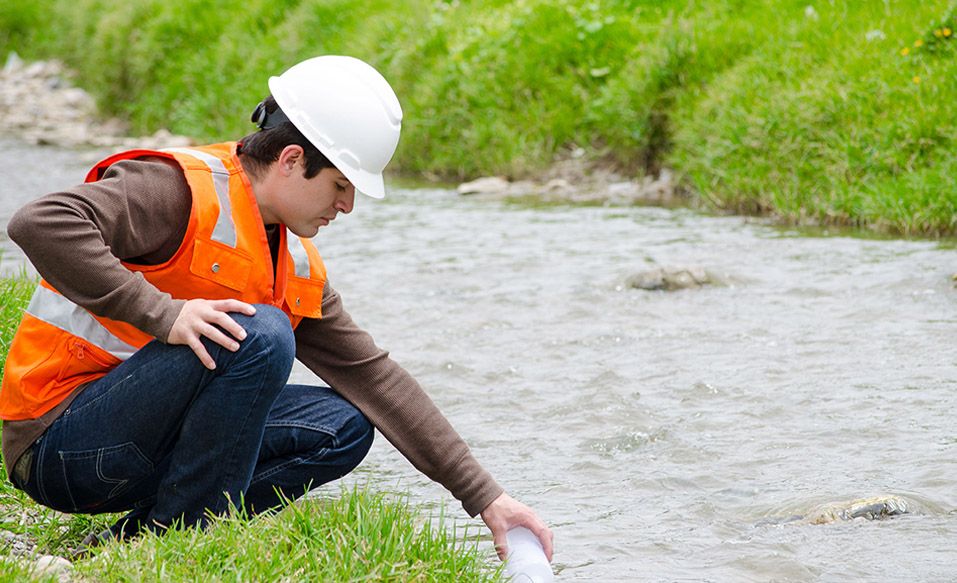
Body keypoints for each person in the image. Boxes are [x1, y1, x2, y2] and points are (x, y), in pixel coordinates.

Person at [1, 55, 553, 560]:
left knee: (347, 424)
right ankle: (195, 537)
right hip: (58, 443)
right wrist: (165, 315)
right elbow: (40, 222)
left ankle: (156, 537)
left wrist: (487, 499)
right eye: (340, 185)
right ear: (291, 160)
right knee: (262, 333)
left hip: (136, 449)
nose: (348, 205)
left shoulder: (292, 262)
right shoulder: (174, 190)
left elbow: (375, 377)